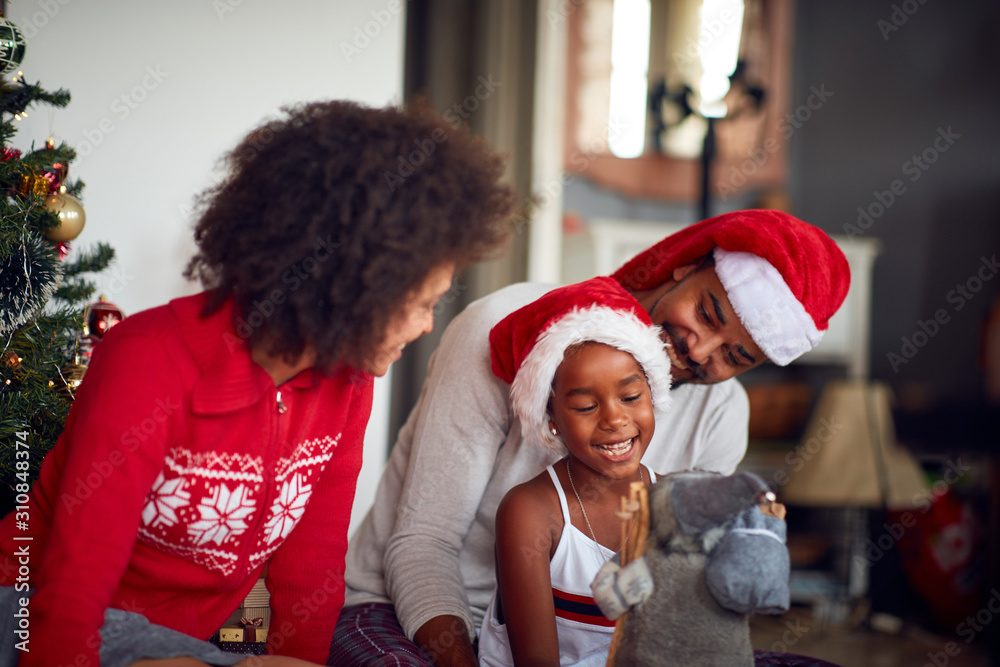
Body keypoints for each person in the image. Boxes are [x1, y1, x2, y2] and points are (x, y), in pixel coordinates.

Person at [0, 99, 514, 667]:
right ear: (346, 284)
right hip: (29, 610)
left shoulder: (345, 385)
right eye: (420, 304)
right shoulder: (147, 361)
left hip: (172, 643)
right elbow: (75, 581)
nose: (425, 327)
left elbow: (311, 567)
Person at [331, 209, 851, 666]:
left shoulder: (721, 412)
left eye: (735, 357)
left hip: (597, 639)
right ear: (685, 266)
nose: (701, 350)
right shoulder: (507, 328)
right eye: (707, 313)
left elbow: (678, 581)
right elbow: (424, 543)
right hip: (414, 614)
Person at [477, 277, 673, 666]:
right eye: (586, 407)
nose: (615, 419)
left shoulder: (676, 503)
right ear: (551, 419)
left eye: (631, 397)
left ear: (653, 394)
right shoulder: (530, 511)